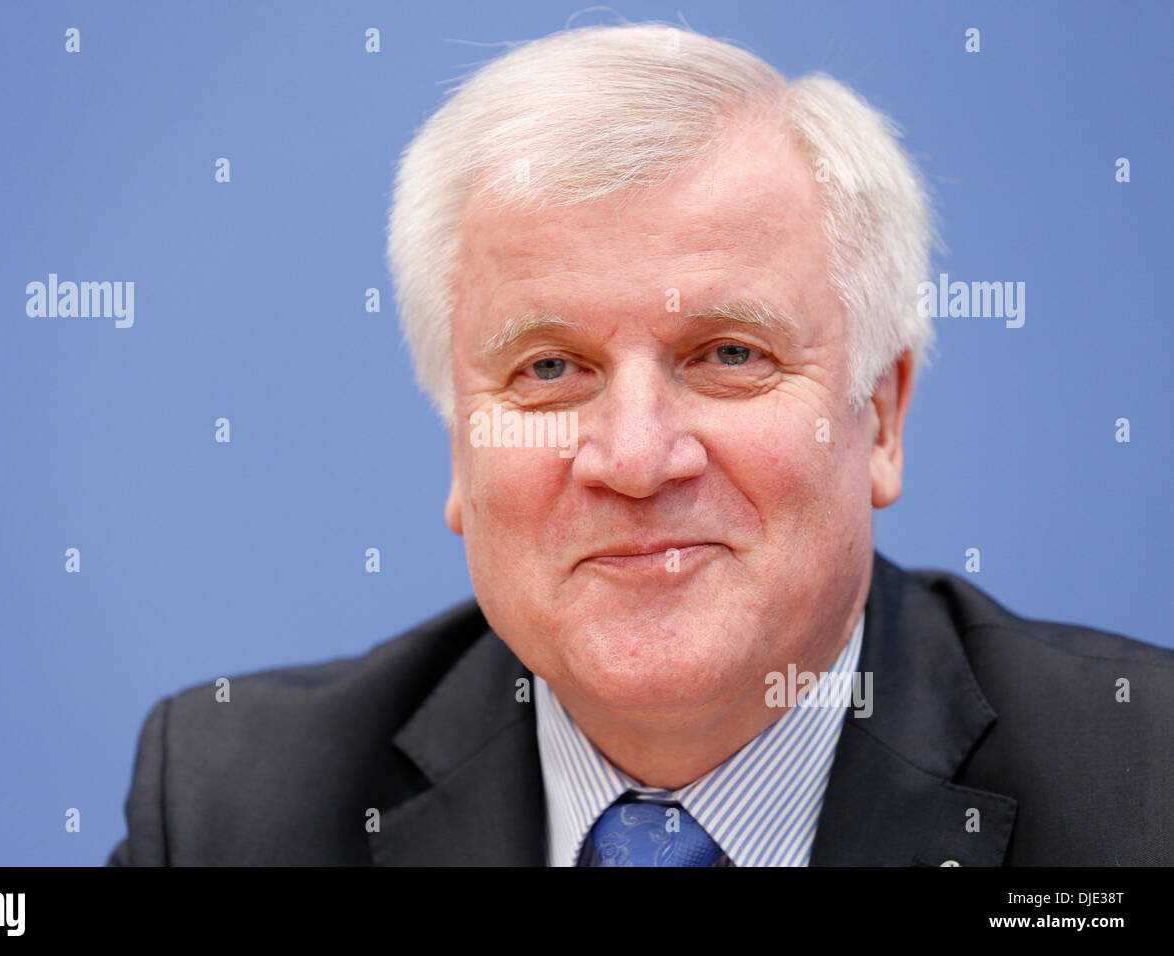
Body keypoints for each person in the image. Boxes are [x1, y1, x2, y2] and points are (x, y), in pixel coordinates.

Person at [107, 22, 1174, 867]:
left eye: (727, 353)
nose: (633, 457)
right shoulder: (230, 807)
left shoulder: (1145, 782)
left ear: (880, 417)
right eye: (548, 369)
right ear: (458, 449)